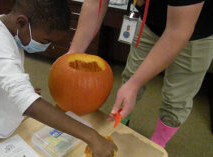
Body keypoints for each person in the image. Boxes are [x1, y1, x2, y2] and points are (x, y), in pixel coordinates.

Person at [0, 0, 117, 157]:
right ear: (22, 23)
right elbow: (25, 100)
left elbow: (6, 74)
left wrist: (22, 92)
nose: (47, 46)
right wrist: (91, 136)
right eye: (46, 40)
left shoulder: (11, 28)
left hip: (9, 123)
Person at [67, 0, 213, 148]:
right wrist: (73, 53)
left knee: (176, 98)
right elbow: (95, 4)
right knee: (131, 77)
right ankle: (119, 124)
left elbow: (178, 32)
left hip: (196, 34)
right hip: (149, 23)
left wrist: (134, 84)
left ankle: (158, 144)